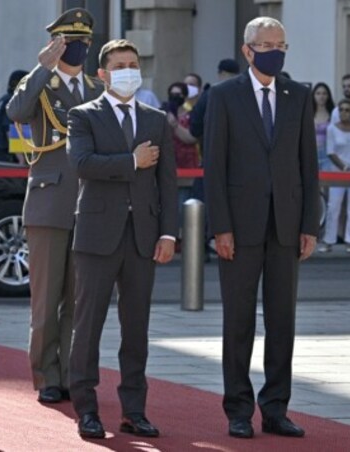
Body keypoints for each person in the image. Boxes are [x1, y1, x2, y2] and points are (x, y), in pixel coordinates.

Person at [204, 16, 318, 439]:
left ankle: (275, 408)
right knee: (238, 321)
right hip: (240, 225)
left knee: (282, 321)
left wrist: (310, 223)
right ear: (248, 50)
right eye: (267, 43)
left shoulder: (299, 95)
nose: (276, 50)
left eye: (282, 44)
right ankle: (238, 409)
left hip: (286, 226)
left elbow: (309, 164)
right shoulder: (224, 96)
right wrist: (221, 227)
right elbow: (214, 167)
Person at [67, 38, 178, 440]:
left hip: (142, 238)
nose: (128, 70)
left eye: (133, 64)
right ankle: (87, 407)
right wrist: (132, 161)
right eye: (120, 65)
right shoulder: (83, 116)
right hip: (97, 235)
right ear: (102, 74)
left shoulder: (155, 118)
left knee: (136, 328)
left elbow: (168, 182)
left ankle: (135, 409)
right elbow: (82, 164)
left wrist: (168, 232)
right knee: (88, 324)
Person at [6, 7, 105, 405]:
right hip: (50, 201)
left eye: (83, 42)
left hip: (91, 205)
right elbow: (15, 112)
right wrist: (41, 69)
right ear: (54, 44)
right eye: (69, 42)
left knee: (78, 301)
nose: (77, 49)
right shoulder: (41, 86)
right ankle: (47, 374)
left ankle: (70, 373)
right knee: (46, 302)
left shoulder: (98, 91)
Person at [319, 99, 350, 253]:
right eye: (341, 110)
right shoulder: (332, 129)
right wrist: (343, 167)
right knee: (333, 207)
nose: (344, 113)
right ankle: (329, 241)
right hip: (337, 172)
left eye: (347, 110)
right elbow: (330, 152)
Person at [162, 82, 199, 215]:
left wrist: (175, 125)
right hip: (168, 167)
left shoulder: (191, 114)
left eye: (178, 94)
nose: (175, 97)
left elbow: (191, 138)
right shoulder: (162, 114)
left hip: (187, 168)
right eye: (172, 94)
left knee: (185, 208)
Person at [189, 58, 240, 139]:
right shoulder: (242, 96)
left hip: (213, 144)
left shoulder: (209, 95)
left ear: (220, 74)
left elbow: (195, 128)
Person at [0, 69, 28, 162]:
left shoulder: (3, 99)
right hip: (5, 157)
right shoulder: (14, 102)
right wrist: (21, 157)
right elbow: (10, 130)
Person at [311, 82, 335, 170]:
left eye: (324, 93)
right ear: (313, 95)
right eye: (318, 93)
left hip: (327, 153)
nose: (321, 96)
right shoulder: (307, 113)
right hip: (311, 152)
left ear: (328, 96)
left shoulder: (333, 113)